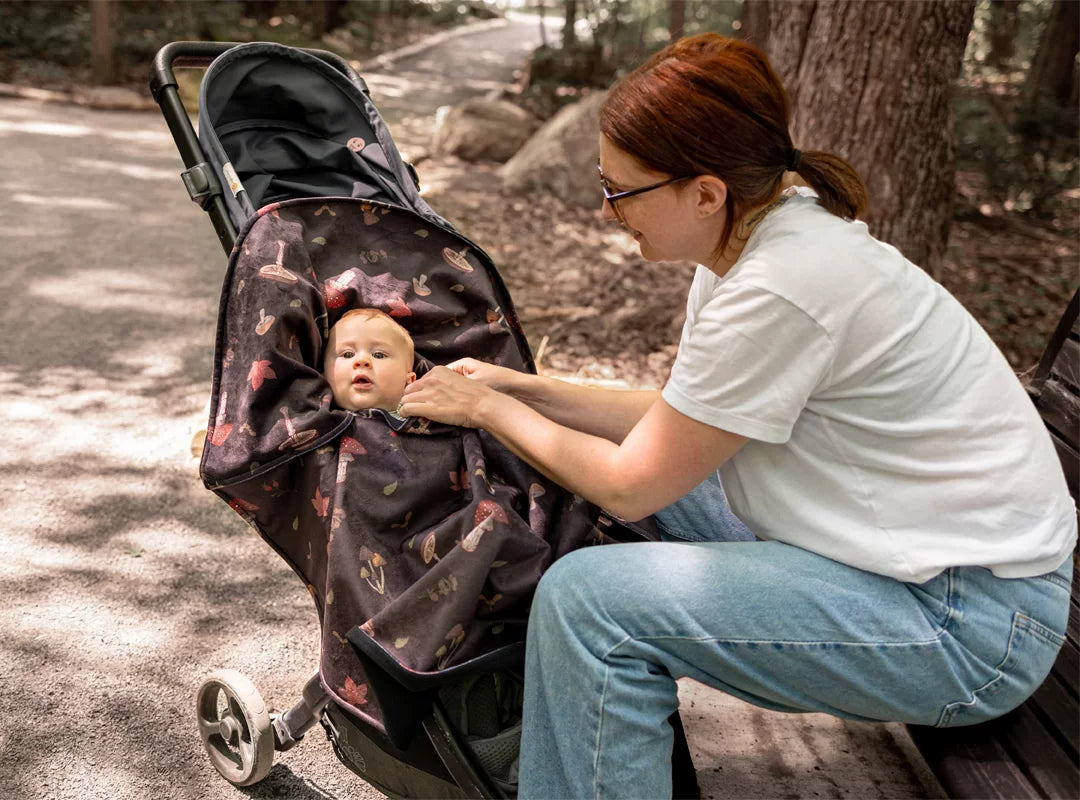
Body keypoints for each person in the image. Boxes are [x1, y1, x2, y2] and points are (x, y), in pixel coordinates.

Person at [397, 32, 1077, 799]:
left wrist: (488, 406)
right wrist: (528, 390)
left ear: (705, 192)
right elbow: (684, 417)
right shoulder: (752, 243)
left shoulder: (781, 285)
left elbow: (631, 485)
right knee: (594, 466)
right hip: (906, 561)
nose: (607, 207)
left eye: (621, 190)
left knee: (591, 605)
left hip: (966, 625)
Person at [324, 308, 416, 413]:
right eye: (348, 354)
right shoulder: (314, 417)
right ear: (323, 374)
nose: (362, 360)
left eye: (378, 355)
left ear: (409, 383)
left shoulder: (427, 421)